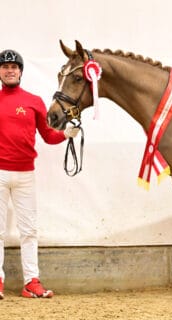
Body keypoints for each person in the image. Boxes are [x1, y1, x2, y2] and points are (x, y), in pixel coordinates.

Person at [0, 49, 79, 299]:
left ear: (21, 71)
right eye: (5, 67)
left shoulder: (34, 101)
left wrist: (66, 134)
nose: (10, 70)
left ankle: (31, 282)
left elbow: (47, 134)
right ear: (0, 72)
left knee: (29, 230)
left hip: (26, 176)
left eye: (14, 67)